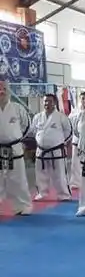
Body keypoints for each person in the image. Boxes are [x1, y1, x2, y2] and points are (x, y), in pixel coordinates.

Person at [31, 93, 72, 202]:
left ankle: (63, 194)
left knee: (59, 173)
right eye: (45, 101)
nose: (47, 103)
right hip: (41, 150)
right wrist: (40, 139)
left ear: (54, 103)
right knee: (40, 172)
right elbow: (34, 131)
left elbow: (68, 131)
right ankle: (41, 192)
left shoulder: (61, 117)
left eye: (50, 101)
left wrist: (61, 141)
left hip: (56, 150)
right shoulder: (37, 117)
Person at [0, 80, 32, 215]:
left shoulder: (17, 108)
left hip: (14, 147)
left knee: (18, 178)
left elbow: (27, 126)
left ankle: (23, 205)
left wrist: (16, 139)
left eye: (4, 90)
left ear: (8, 92)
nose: (1, 93)